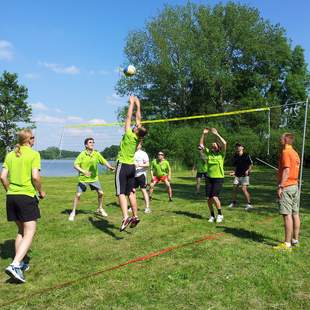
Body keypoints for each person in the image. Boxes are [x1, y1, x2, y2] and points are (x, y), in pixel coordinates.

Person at [0, 129, 45, 283]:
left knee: (21, 230)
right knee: (30, 231)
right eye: (33, 137)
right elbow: (35, 177)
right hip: (26, 197)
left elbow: (2, 176)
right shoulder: (34, 154)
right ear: (29, 140)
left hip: (11, 197)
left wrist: (10, 190)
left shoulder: (10, 154)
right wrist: (41, 191)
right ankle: (15, 264)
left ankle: (20, 262)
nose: (34, 140)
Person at [115, 95, 147, 231]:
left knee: (121, 193)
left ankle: (125, 216)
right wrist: (138, 105)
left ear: (135, 130)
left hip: (122, 165)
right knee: (131, 193)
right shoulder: (138, 138)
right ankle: (135, 215)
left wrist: (131, 104)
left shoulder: (129, 134)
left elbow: (129, 118)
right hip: (132, 167)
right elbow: (138, 119)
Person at [68, 137, 115, 221]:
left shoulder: (96, 154)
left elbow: (104, 161)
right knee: (78, 195)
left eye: (93, 142)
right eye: (90, 142)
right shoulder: (82, 154)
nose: (92, 144)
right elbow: (75, 165)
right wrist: (83, 171)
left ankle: (100, 208)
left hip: (94, 178)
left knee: (101, 193)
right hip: (83, 179)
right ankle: (73, 212)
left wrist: (110, 167)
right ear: (86, 145)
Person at [274, 133, 301, 251]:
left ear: (285, 140)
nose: (279, 140)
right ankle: (295, 240)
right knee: (295, 213)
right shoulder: (295, 153)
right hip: (295, 185)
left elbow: (286, 170)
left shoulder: (286, 152)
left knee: (287, 215)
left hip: (288, 186)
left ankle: (287, 243)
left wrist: (281, 186)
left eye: (281, 138)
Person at [200, 127, 227, 223]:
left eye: (214, 145)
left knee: (215, 196)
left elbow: (224, 143)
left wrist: (217, 134)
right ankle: (212, 215)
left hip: (219, 178)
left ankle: (220, 214)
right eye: (212, 145)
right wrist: (203, 134)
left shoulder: (221, 155)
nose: (212, 146)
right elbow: (201, 145)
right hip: (209, 178)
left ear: (218, 147)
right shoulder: (209, 153)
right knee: (209, 198)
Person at [228, 143, 253, 210]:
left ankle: (249, 204)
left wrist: (248, 170)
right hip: (237, 175)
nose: (238, 147)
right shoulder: (236, 155)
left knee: (244, 189)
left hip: (245, 176)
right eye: (237, 146)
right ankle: (233, 203)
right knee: (234, 188)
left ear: (242, 148)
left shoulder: (246, 155)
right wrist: (234, 172)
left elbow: (250, 165)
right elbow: (236, 166)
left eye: (239, 146)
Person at [134, 142, 151, 213]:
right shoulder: (131, 153)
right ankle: (133, 207)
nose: (136, 145)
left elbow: (147, 164)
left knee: (143, 190)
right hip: (133, 175)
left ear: (140, 145)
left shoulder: (143, 153)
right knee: (132, 191)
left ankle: (147, 207)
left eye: (138, 144)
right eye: (135, 144)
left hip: (141, 174)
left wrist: (139, 165)